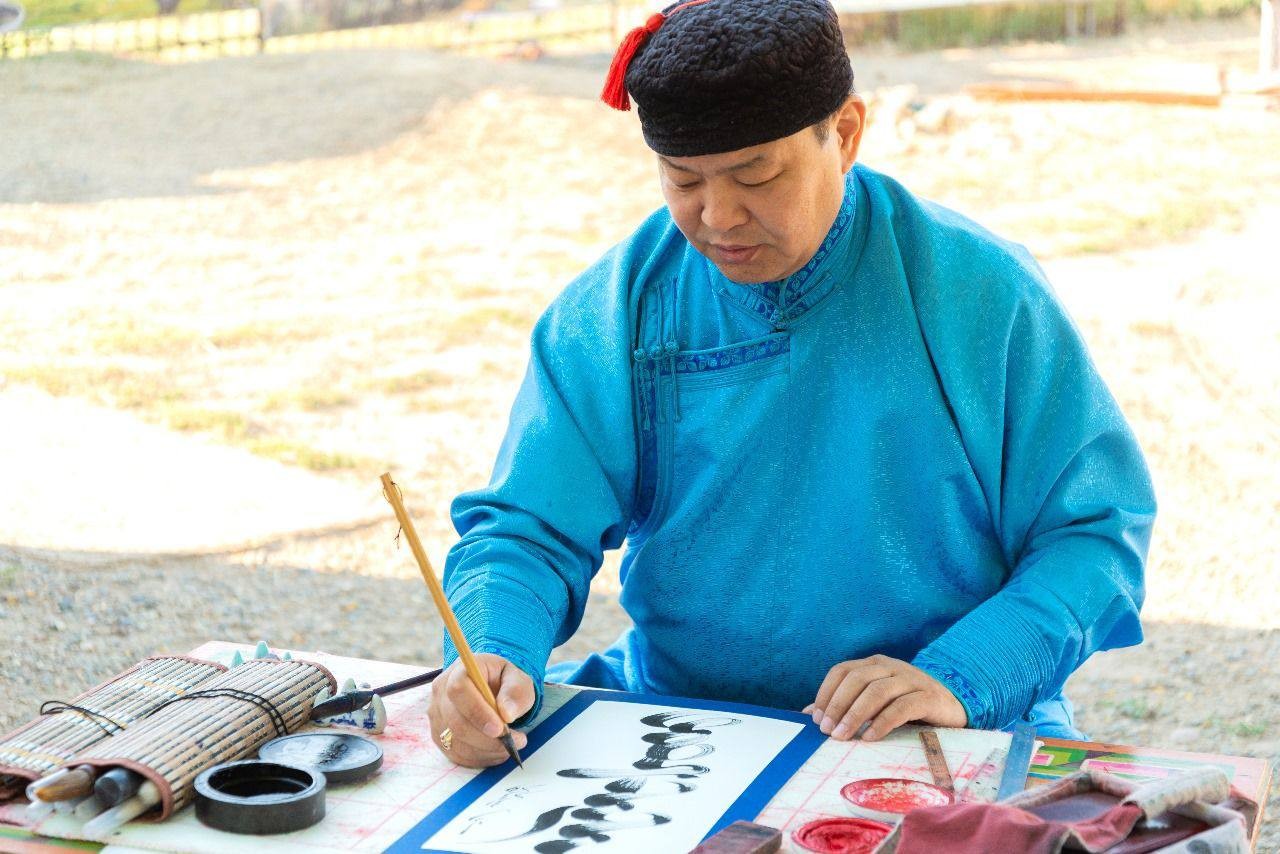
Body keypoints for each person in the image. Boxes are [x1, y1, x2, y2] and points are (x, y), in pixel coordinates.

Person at [426, 0, 1156, 768]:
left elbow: (1094, 534)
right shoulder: (618, 309)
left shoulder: (979, 294)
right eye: (683, 180)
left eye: (755, 175)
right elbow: (526, 531)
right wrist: (490, 652)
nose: (717, 217)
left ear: (843, 135)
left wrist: (960, 676)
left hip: (938, 725)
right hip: (687, 722)